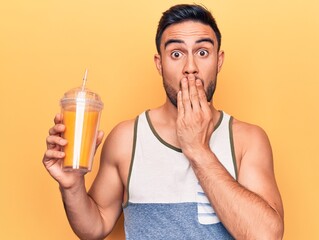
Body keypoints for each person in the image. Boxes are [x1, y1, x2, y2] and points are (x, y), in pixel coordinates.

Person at [43, 4, 284, 240]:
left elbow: (265, 236)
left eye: (202, 52)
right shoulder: (127, 138)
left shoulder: (247, 140)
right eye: (176, 54)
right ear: (160, 64)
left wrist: (198, 150)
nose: (190, 68)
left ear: (219, 61)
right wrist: (72, 186)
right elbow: (95, 228)